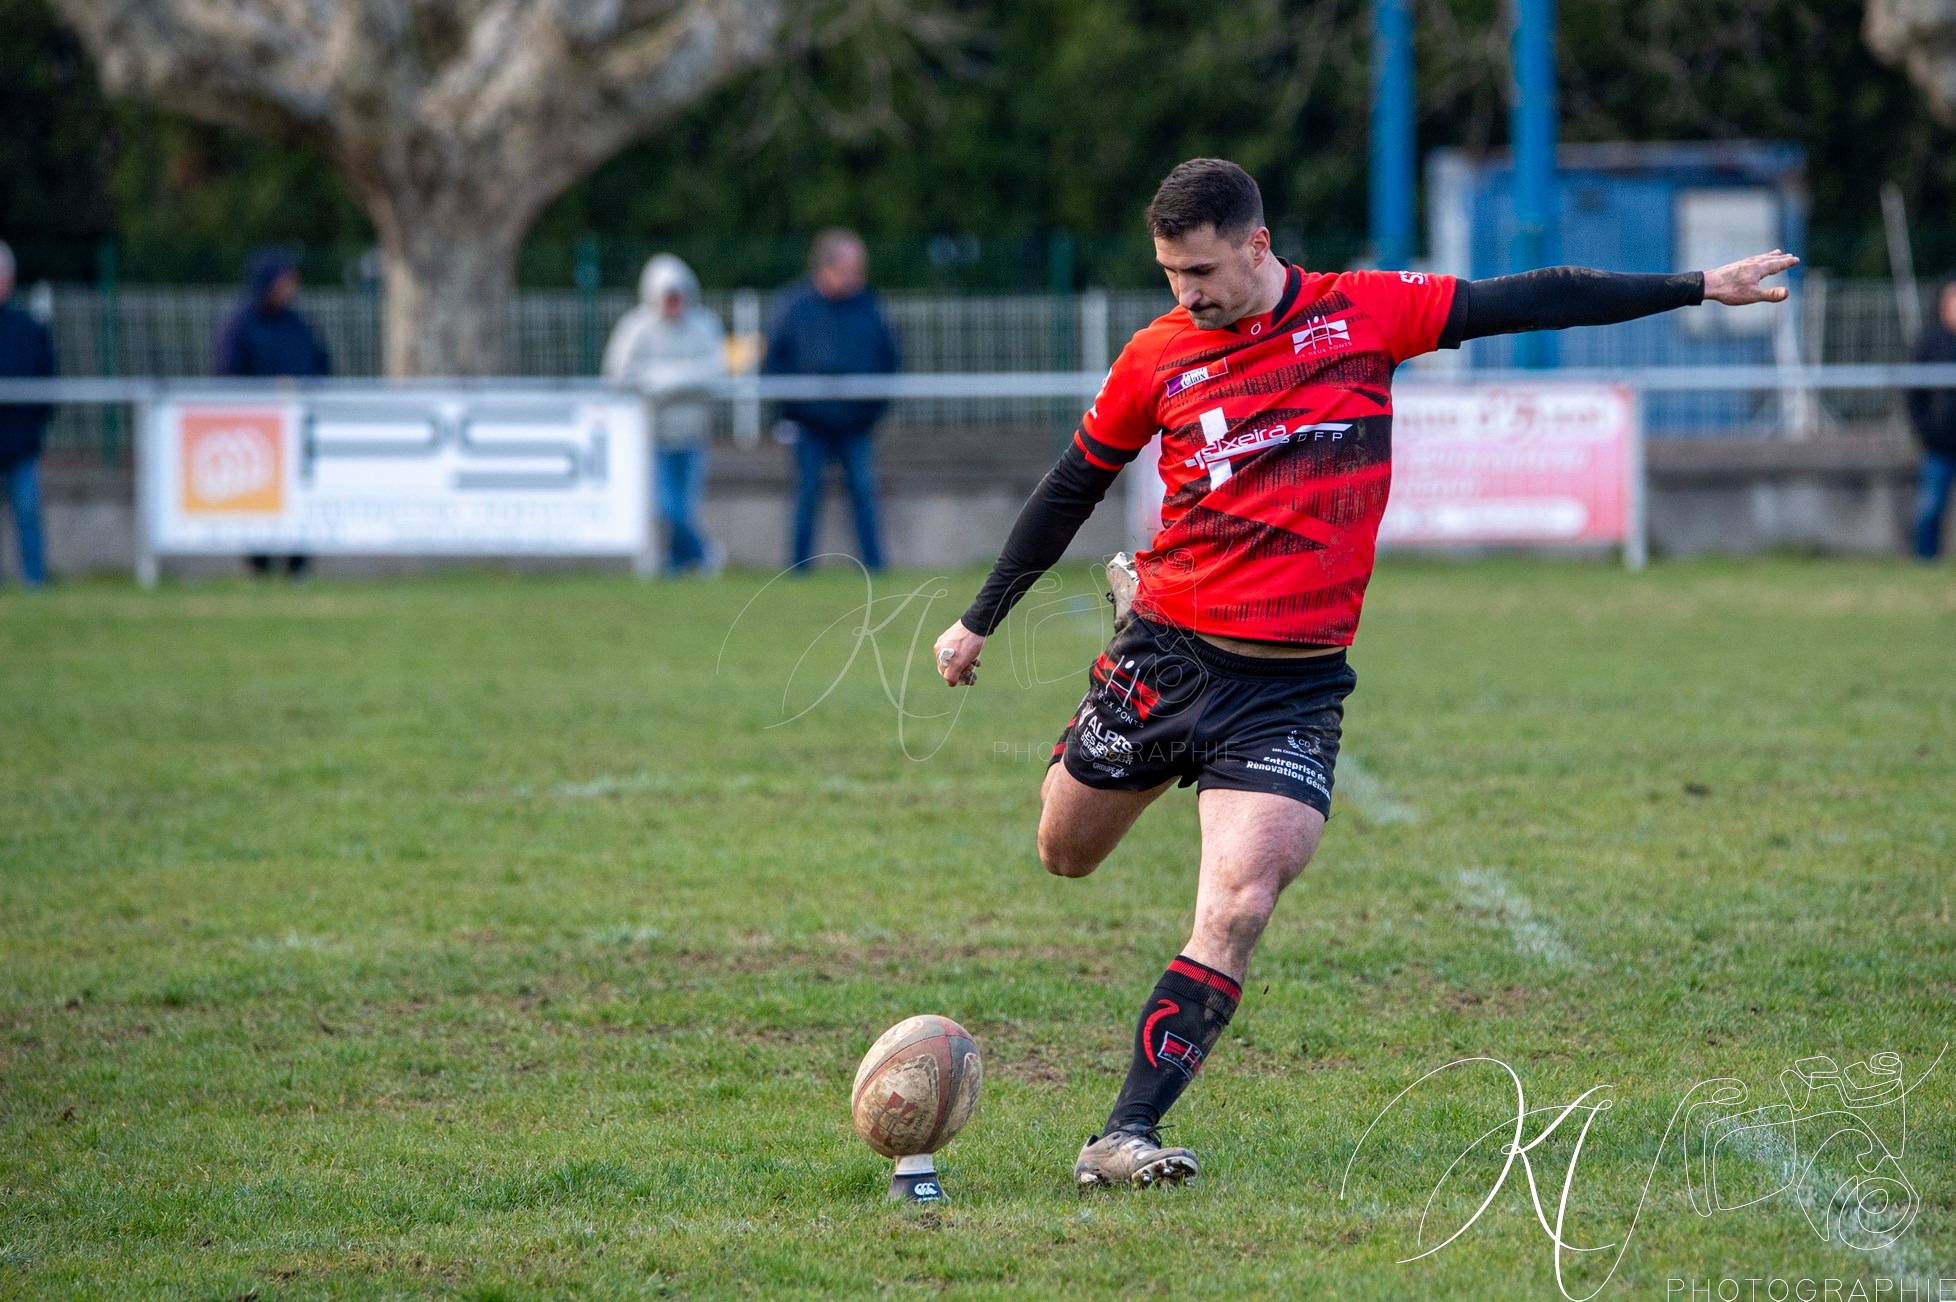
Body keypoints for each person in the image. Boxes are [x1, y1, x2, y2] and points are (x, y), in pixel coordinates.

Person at [931, 158, 1795, 1190]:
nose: (1187, 293)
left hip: (1291, 689)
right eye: (1170, 273)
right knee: (1064, 853)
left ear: (1258, 244)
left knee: (1241, 903)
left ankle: (1124, 1134)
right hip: (1168, 655)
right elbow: (1075, 483)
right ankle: (1130, 657)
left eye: (1201, 270)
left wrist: (1697, 286)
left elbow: (1533, 297)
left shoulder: (1365, 314)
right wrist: (980, 619)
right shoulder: (1157, 355)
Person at [763, 229, 900, 571]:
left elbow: (889, 359)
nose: (859, 277)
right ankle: (799, 570)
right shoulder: (793, 307)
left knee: (865, 495)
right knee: (807, 497)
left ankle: (874, 569)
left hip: (856, 425)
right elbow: (773, 363)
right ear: (829, 267)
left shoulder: (869, 306)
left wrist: (871, 410)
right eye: (853, 269)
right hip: (810, 425)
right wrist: (791, 410)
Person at [603, 254, 727, 575]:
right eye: (668, 298)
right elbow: (618, 376)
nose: (675, 305)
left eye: (679, 297)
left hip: (692, 433)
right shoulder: (636, 329)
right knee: (665, 507)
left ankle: (677, 565)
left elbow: (716, 372)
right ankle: (703, 556)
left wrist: (667, 382)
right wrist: (665, 382)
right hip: (650, 436)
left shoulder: (704, 326)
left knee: (685, 508)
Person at [214, 247, 329, 579]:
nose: (291, 288)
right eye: (284, 280)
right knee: (258, 498)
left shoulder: (297, 324)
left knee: (301, 497)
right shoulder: (239, 326)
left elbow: (320, 364)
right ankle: (258, 563)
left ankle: (298, 564)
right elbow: (227, 378)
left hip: (297, 430)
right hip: (256, 432)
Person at [0, 241, 55, 589]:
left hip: (21, 443)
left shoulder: (29, 328)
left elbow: (48, 385)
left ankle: (34, 582)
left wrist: (31, 428)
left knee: (28, 514)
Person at [1905, 278, 1956, 560]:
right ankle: (1925, 562)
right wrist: (1926, 430)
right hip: (1939, 444)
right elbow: (1913, 393)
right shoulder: (1929, 340)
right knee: (1931, 508)